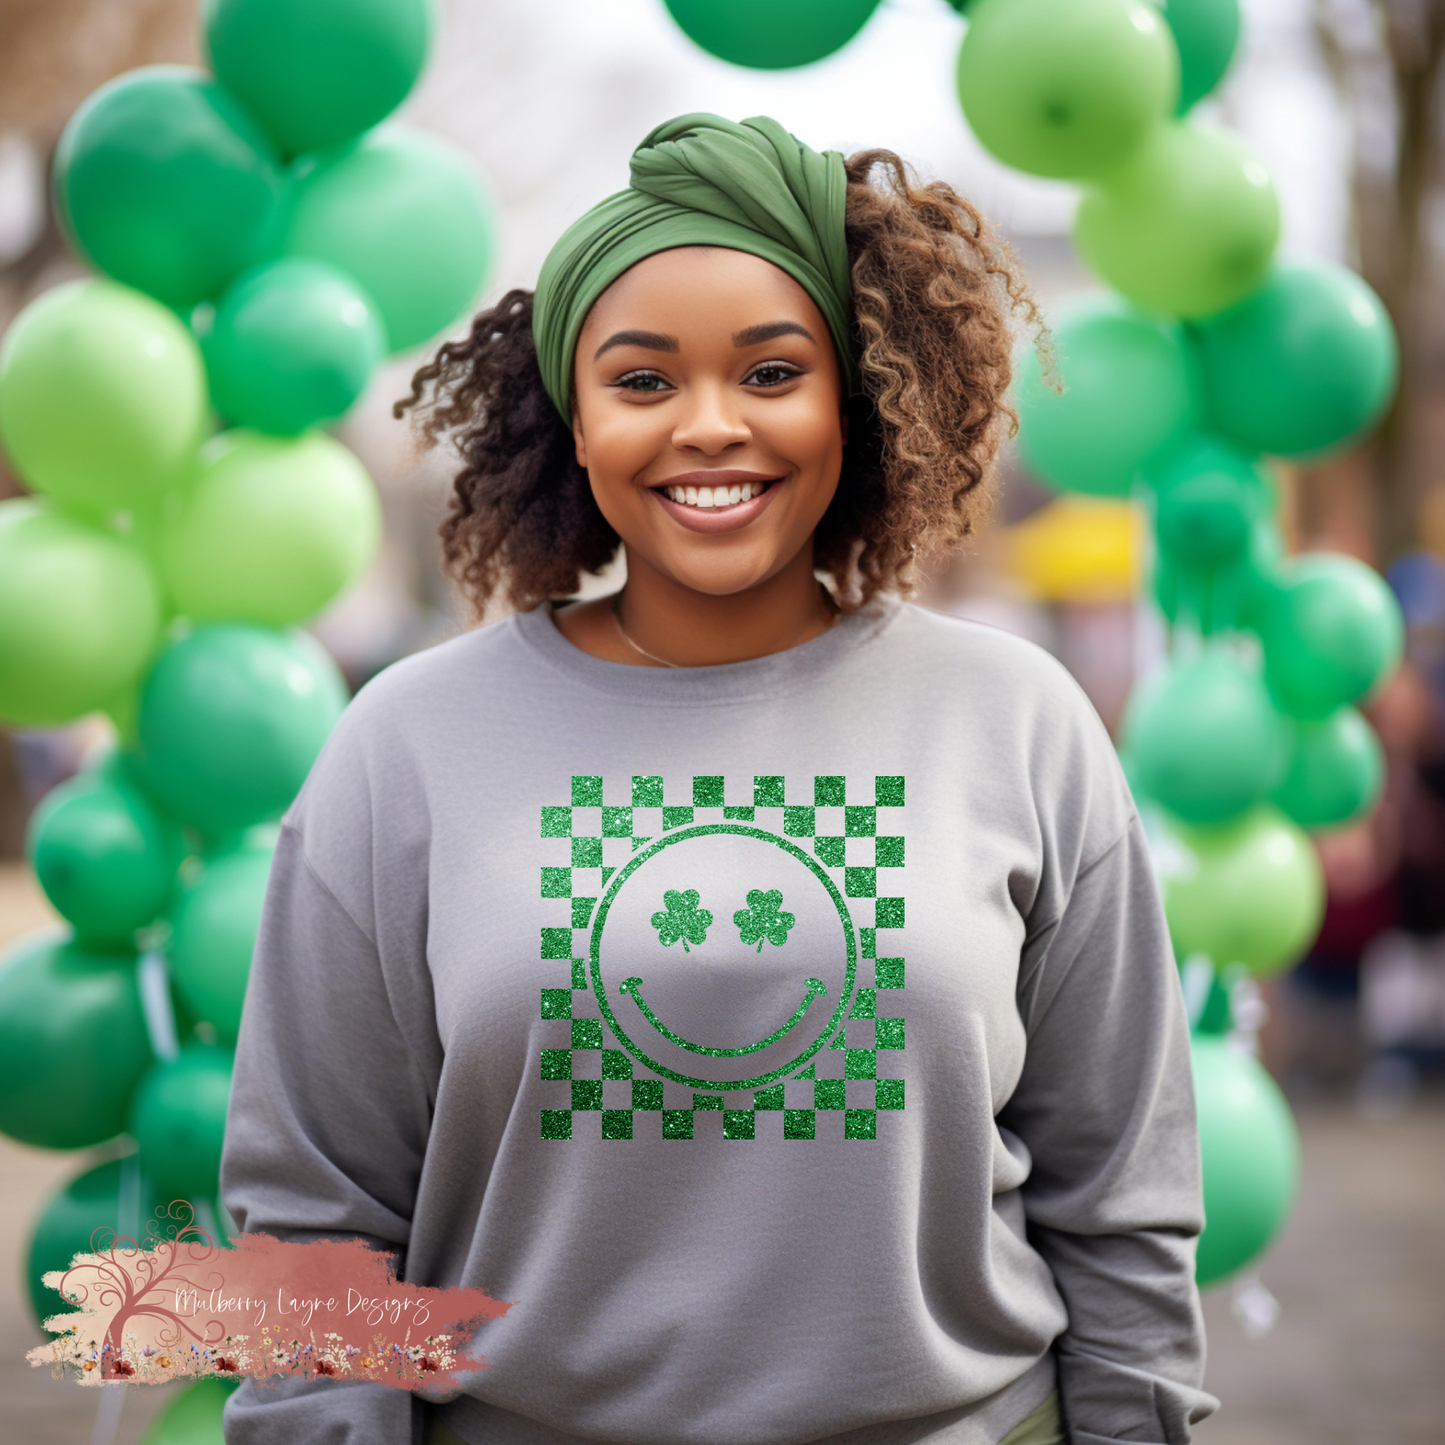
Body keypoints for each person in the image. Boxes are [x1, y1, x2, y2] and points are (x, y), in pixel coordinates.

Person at [221, 113, 1216, 1445]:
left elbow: (1121, 1203)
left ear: (852, 399)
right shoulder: (405, 746)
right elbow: (312, 1219)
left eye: (770, 372)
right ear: (572, 421)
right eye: (642, 382)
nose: (708, 428)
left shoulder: (1016, 721)